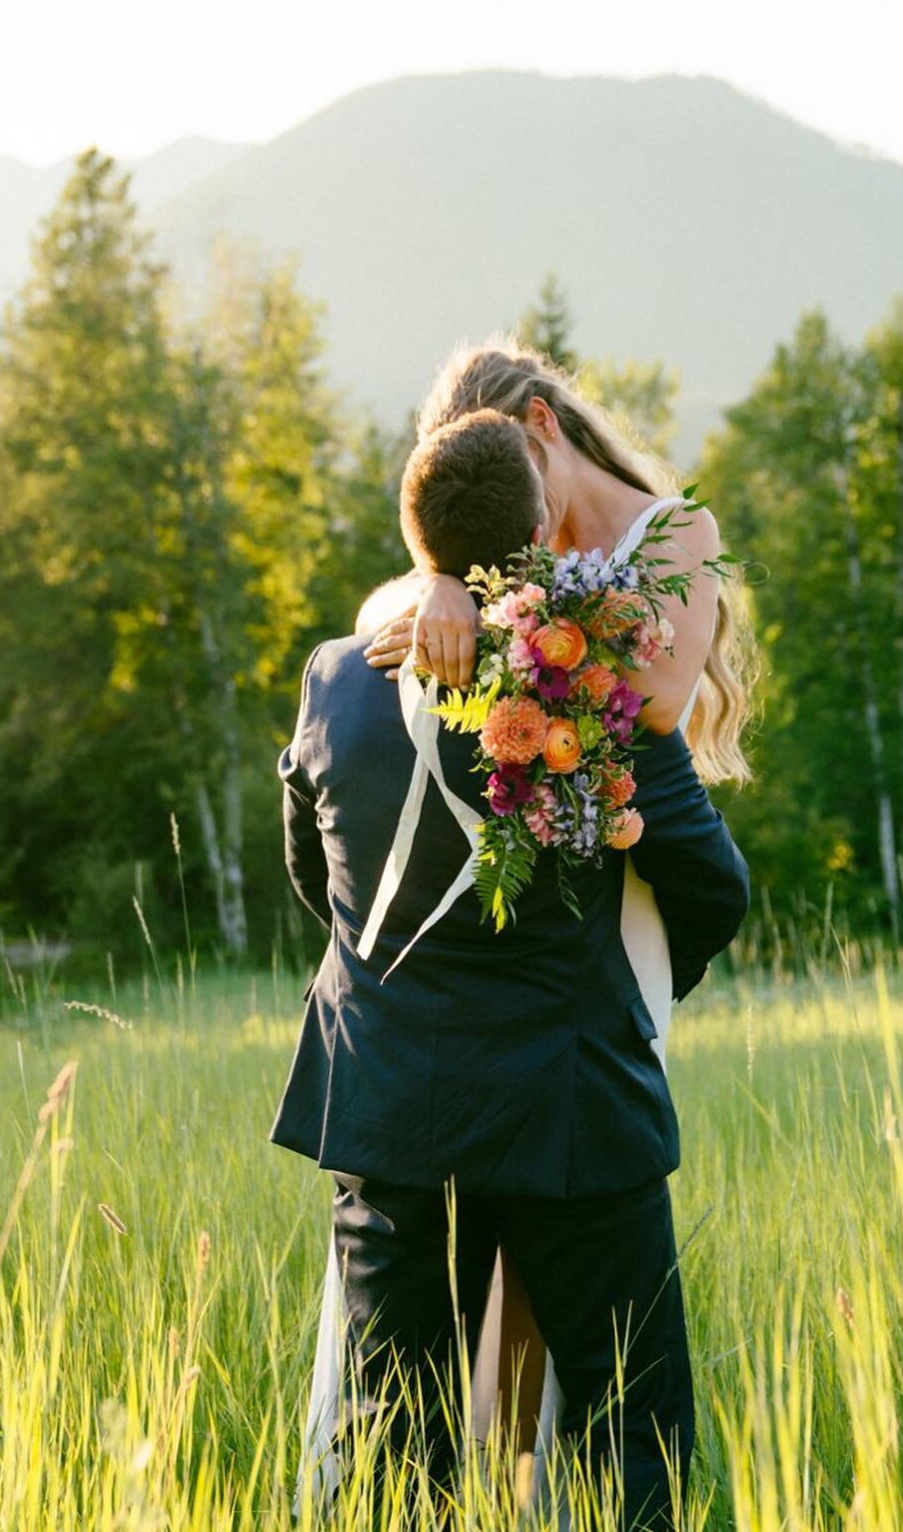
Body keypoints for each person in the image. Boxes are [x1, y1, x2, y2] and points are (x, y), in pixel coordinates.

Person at [273, 407, 750, 1528]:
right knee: (631, 1425)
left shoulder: (333, 682)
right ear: (541, 528)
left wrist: (398, 985)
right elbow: (714, 888)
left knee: (392, 1444)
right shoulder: (590, 688)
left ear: (413, 537)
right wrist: (625, 993)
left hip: (391, 1112)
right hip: (573, 1101)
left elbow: (315, 875)